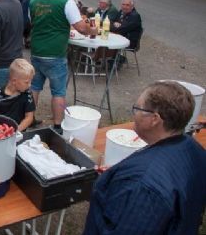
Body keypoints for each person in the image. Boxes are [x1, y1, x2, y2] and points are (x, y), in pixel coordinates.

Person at [83, 81, 206, 234]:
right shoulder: (194, 149)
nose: (134, 114)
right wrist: (115, 179)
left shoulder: (143, 186)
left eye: (137, 108)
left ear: (154, 119)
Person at [29, 0, 93, 133]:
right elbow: (80, 28)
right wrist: (92, 30)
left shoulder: (34, 0)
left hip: (37, 51)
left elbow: (33, 22)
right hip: (55, 53)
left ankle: (29, 119)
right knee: (58, 91)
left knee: (34, 87)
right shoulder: (66, 2)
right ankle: (58, 125)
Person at [0, 59, 36, 132]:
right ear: (14, 81)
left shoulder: (27, 94)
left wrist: (16, 131)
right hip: (0, 132)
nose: (30, 85)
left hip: (19, 133)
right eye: (27, 82)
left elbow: (29, 117)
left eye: (30, 81)